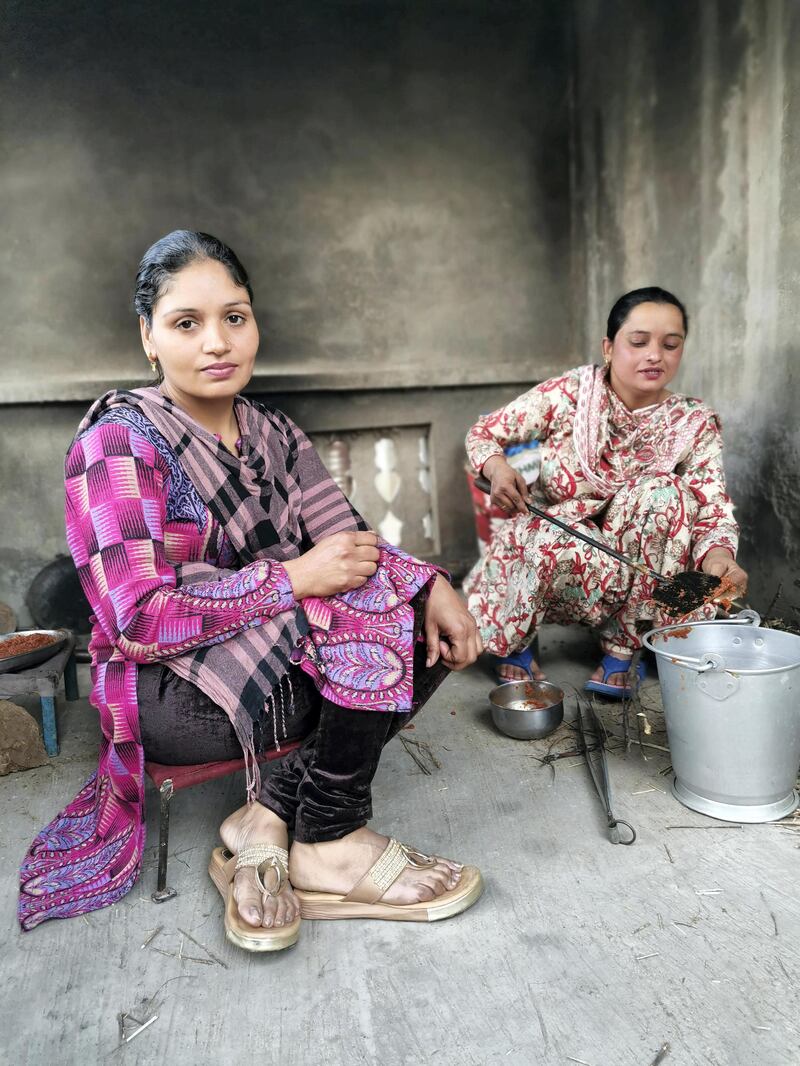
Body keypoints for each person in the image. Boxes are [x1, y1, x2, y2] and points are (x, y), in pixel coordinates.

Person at [19, 230, 483, 948]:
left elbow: (350, 541)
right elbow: (139, 618)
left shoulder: (272, 432)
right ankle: (329, 837)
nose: (216, 342)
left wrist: (433, 586)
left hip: (271, 658)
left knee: (422, 623)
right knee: (369, 619)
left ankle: (265, 817)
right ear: (148, 337)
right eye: (186, 323)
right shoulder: (119, 445)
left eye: (234, 317)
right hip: (171, 691)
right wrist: (296, 579)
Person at [464, 287, 748, 696]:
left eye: (671, 344)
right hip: (558, 543)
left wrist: (720, 555)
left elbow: (713, 504)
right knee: (546, 540)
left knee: (666, 494)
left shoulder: (694, 421)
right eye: (639, 342)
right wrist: (498, 466)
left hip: (633, 565)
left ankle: (624, 645)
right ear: (609, 347)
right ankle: (517, 637)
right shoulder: (571, 393)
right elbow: (485, 432)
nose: (656, 355)